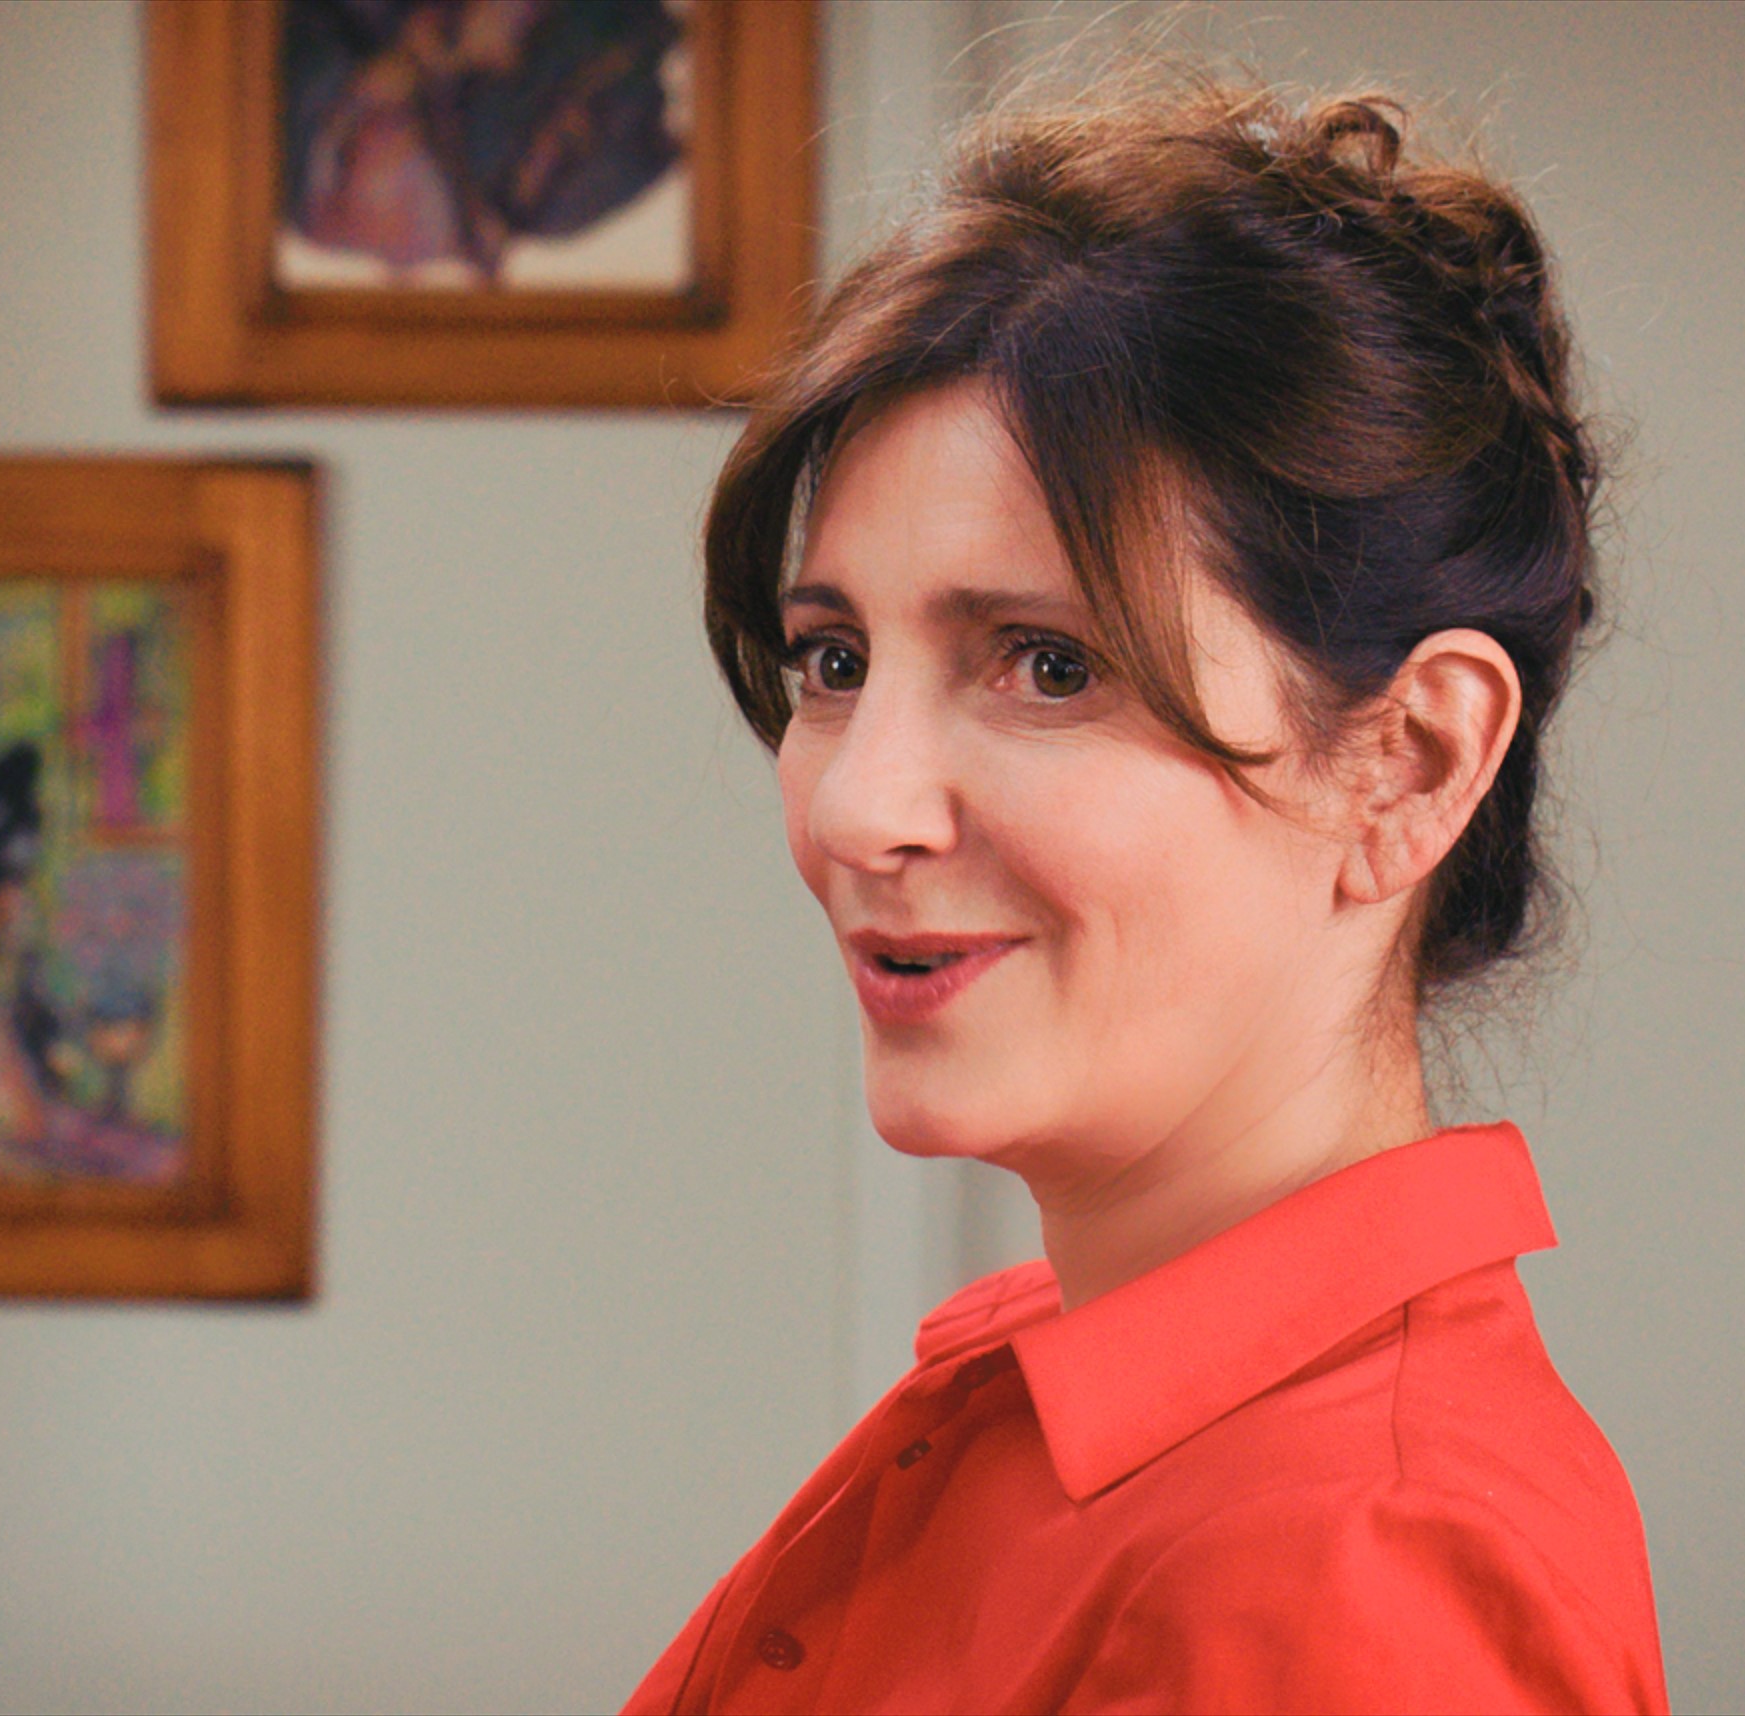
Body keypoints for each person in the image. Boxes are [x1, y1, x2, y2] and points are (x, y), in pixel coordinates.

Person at [630, 75, 1664, 1714]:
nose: (857, 806)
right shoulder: (1037, 1394)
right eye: (834, 660)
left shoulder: (1356, 1579)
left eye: (1048, 665)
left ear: (1406, 763)